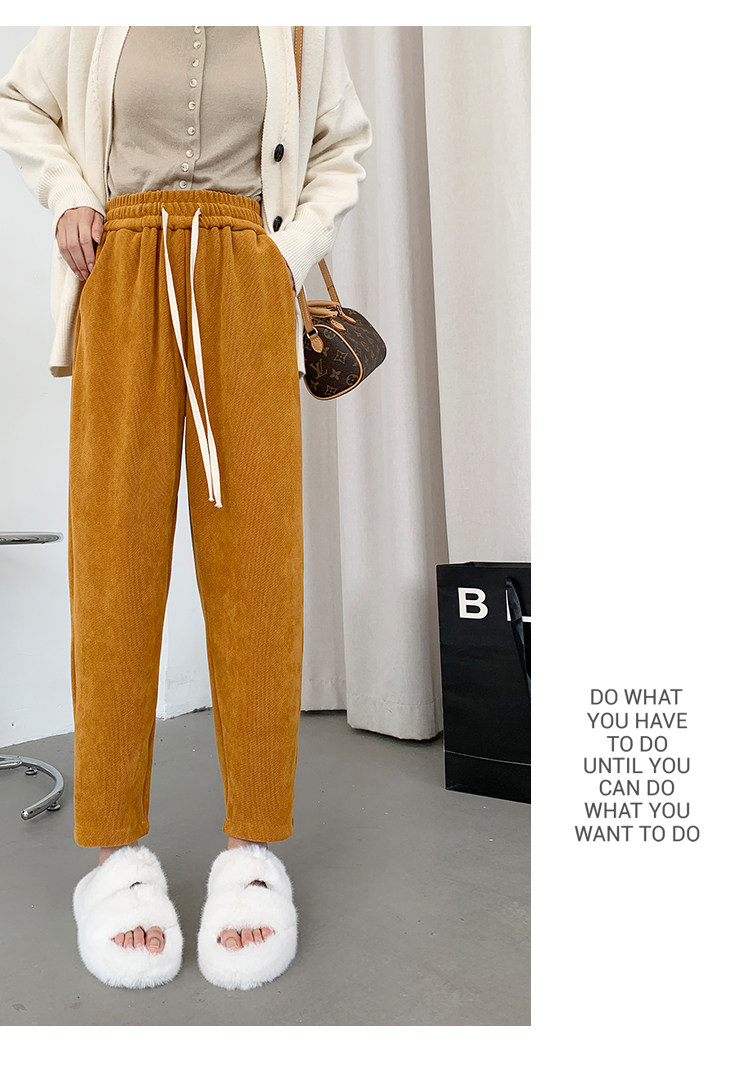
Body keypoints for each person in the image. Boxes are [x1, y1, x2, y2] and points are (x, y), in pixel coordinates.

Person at [0, 25, 372, 991]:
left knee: (258, 569)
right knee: (114, 571)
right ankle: (113, 853)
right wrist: (70, 193)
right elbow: (20, 99)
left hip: (246, 276)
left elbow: (341, 144)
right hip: (121, 271)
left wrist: (288, 253)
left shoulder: (297, 21)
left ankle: (253, 849)